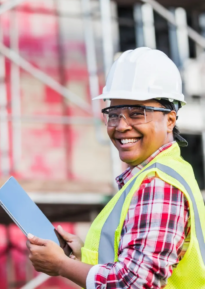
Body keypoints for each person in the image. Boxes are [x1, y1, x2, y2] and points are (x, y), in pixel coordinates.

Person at [26, 47, 205, 289]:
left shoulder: (158, 183)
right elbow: (131, 265)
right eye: (113, 114)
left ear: (170, 121)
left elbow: (135, 283)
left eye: (136, 114)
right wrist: (81, 257)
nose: (121, 126)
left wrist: (62, 266)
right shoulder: (157, 174)